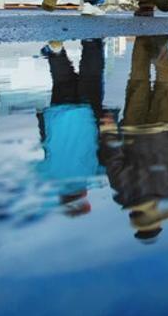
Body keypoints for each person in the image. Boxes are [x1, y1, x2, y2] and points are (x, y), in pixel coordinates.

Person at [98, 35, 168, 241]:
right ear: (134, 213)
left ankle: (160, 52)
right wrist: (108, 132)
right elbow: (112, 159)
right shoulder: (123, 191)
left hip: (165, 128)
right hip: (133, 128)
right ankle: (143, 37)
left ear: (156, 213)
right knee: (138, 79)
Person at [36, 39, 113, 216]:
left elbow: (106, 151)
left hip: (88, 118)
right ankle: (56, 53)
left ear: (83, 196)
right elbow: (45, 143)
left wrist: (108, 125)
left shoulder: (94, 176)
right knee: (62, 80)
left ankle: (92, 41)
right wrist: (42, 118)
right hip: (58, 116)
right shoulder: (50, 174)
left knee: (91, 77)